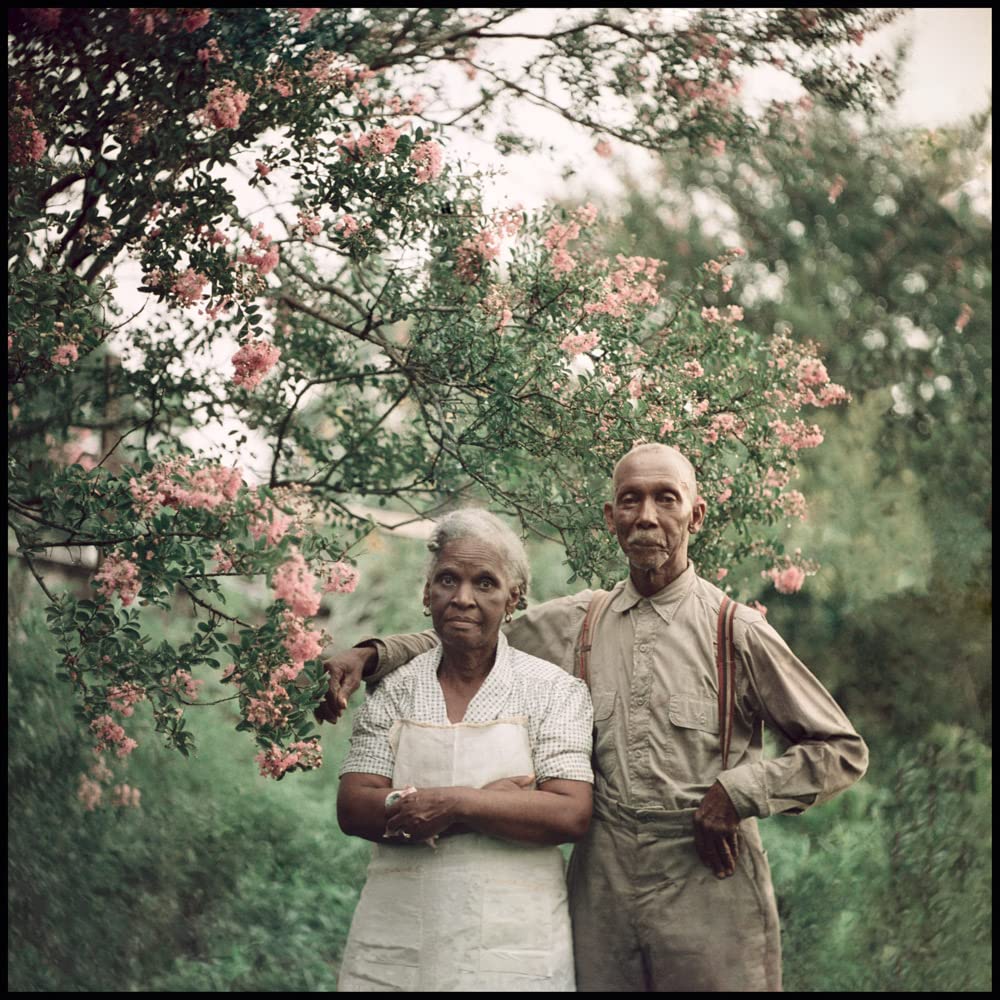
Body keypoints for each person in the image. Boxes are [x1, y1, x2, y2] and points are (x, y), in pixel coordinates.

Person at [323, 444, 869, 992]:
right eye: (630, 500)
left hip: (707, 872)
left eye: (666, 499)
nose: (646, 516)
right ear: (611, 518)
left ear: (695, 515)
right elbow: (473, 626)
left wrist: (739, 792)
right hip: (601, 877)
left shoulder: (736, 631)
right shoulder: (580, 622)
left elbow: (841, 750)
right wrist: (370, 655)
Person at [336, 508, 593, 992]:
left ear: (513, 598)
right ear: (426, 591)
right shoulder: (395, 689)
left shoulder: (552, 690)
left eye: (485, 583)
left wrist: (451, 804)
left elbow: (570, 813)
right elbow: (353, 807)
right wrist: (492, 804)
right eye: (448, 579)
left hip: (514, 940)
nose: (463, 599)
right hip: (398, 933)